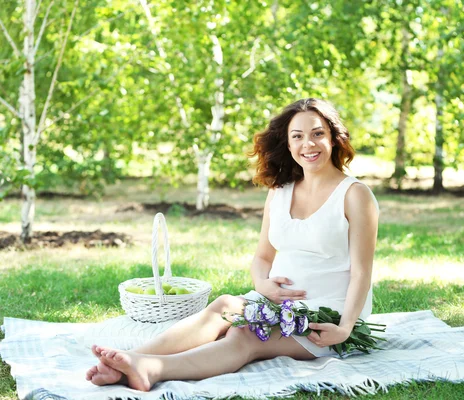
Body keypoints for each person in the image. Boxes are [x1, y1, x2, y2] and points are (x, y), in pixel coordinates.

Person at [85, 98, 379, 391]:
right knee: (225, 305)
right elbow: (263, 257)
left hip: (329, 313)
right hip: (276, 302)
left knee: (246, 335)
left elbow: (362, 273)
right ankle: (131, 360)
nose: (308, 144)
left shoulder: (354, 195)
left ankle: (151, 370)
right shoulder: (279, 193)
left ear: (333, 138)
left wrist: (344, 328)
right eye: (298, 136)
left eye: (317, 134)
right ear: (288, 145)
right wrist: (262, 285)